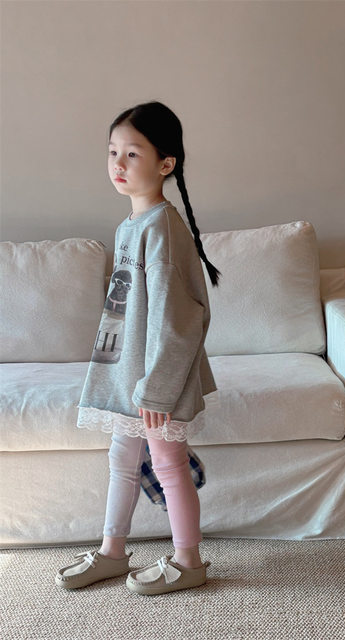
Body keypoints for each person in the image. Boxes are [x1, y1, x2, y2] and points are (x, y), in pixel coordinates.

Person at [55, 101, 221, 596]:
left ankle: (189, 562)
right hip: (131, 375)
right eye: (112, 152)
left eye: (132, 153)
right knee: (122, 461)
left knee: (168, 464)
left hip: (155, 381)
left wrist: (157, 388)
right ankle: (112, 551)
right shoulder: (131, 225)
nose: (118, 164)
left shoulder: (162, 229)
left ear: (166, 163)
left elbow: (180, 319)